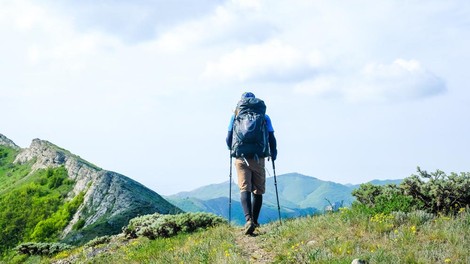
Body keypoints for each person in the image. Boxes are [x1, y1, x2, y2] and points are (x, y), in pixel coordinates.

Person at [226, 92, 277, 235]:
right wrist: (274, 153)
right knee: (258, 191)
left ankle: (248, 220)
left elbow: (228, 138)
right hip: (258, 157)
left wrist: (232, 149)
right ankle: (255, 221)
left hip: (241, 157)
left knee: (244, 188)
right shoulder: (264, 117)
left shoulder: (235, 116)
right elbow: (271, 137)